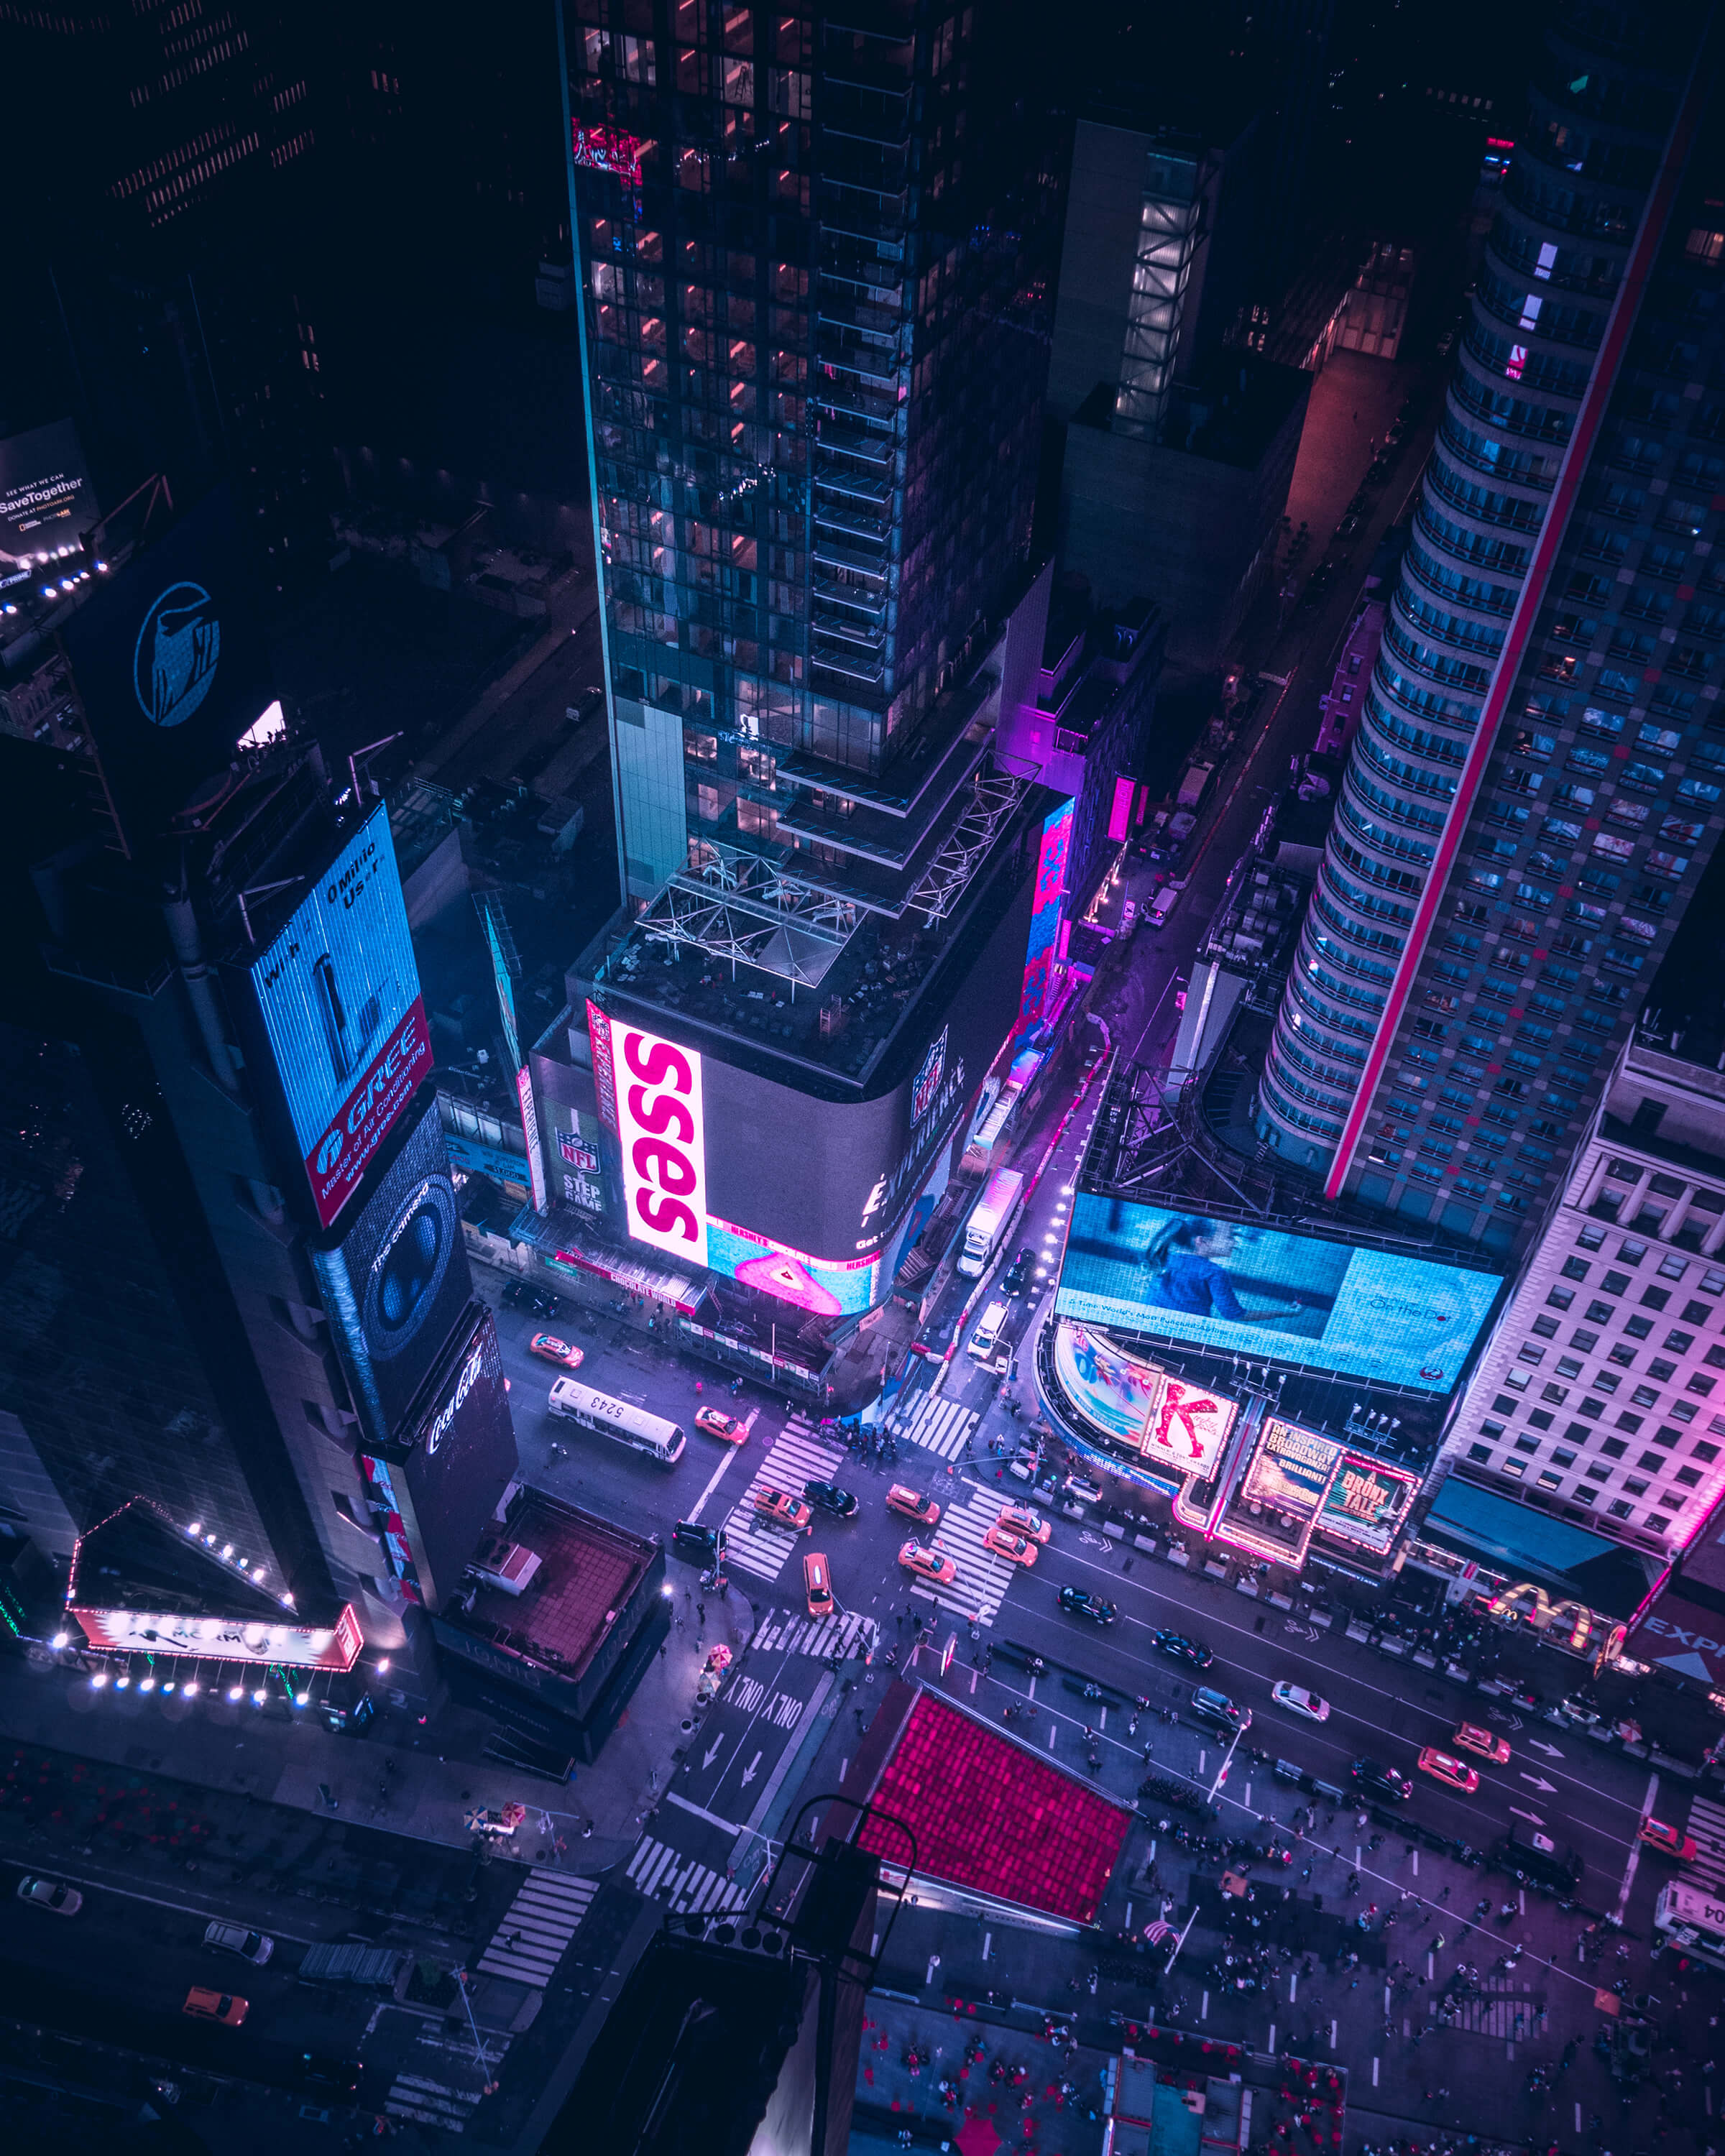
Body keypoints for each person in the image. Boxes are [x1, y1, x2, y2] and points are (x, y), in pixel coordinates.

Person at [1141, 1217, 1304, 1323]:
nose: (1234, 1243)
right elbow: (1234, 1314)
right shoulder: (1214, 1273)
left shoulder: (1163, 1257)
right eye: (1230, 1237)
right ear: (1202, 1241)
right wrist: (1284, 1313)